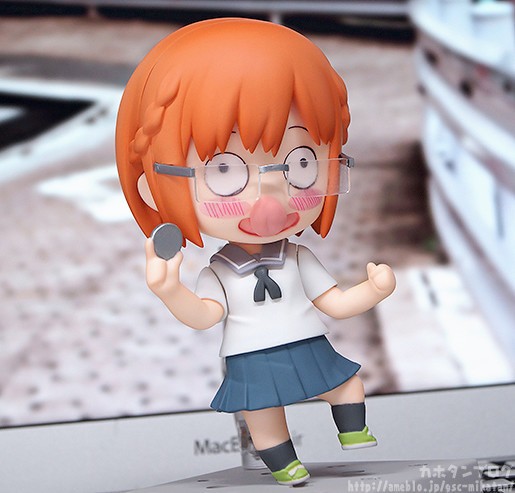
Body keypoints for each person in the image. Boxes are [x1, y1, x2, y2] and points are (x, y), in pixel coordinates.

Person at [116, 18, 396, 486]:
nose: (272, 200)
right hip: (250, 355)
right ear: (160, 179)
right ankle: (284, 464)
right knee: (263, 414)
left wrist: (374, 290)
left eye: (302, 163)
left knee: (347, 384)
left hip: (308, 342)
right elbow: (205, 316)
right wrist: (170, 291)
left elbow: (335, 303)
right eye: (225, 170)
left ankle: (353, 430)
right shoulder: (220, 273)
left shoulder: (298, 258)